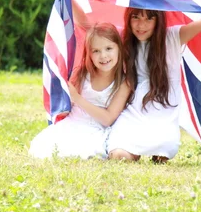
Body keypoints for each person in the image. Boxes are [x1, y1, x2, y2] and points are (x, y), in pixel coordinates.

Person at [107, 8, 201, 162]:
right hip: (135, 108)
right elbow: (90, 26)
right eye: (135, 17)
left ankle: (160, 146)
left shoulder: (171, 37)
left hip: (163, 106)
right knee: (119, 156)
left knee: (163, 151)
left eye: (149, 18)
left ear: (158, 20)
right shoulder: (124, 38)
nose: (141, 25)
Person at [29, 22, 131, 159]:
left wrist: (77, 98)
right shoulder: (83, 74)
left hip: (96, 129)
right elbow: (67, 103)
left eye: (108, 48)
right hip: (73, 122)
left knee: (81, 151)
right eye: (96, 51)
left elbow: (108, 119)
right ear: (89, 54)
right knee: (43, 147)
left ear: (119, 48)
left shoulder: (123, 83)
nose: (103, 56)